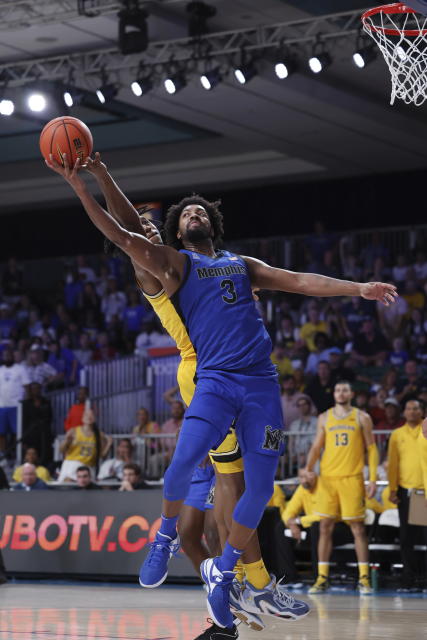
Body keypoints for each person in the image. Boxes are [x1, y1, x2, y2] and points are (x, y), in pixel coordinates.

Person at [46, 150, 396, 635]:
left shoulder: (227, 264)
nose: (151, 227)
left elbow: (292, 279)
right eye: (164, 224)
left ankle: (229, 585)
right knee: (227, 487)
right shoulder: (158, 268)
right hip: (204, 374)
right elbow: (125, 227)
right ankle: (245, 580)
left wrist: (101, 173)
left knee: (224, 504)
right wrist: (88, 180)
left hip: (242, 376)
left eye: (193, 214)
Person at [304, 380, 379, 594]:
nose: (340, 392)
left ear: (351, 393)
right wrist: (308, 468)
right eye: (337, 389)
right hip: (327, 479)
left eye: (345, 389)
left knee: (357, 528)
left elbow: (372, 449)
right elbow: (317, 446)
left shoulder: (362, 417)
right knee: (324, 527)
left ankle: (364, 578)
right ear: (334, 393)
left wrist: (372, 479)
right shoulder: (324, 417)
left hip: (352, 479)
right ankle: (322, 578)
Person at [387, 399, 427, 592]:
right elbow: (393, 464)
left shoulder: (425, 430)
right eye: (409, 408)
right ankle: (408, 579)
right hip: (407, 492)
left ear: (422, 412)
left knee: (425, 537)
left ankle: (424, 579)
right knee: (406, 538)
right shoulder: (397, 434)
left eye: (416, 408)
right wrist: (392, 489)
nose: (412, 412)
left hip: (424, 491)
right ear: (404, 412)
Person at [58, 407, 111, 482]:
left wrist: (108, 444)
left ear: (95, 418)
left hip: (88, 467)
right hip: (72, 464)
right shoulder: (74, 431)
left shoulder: (99, 434)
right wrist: (66, 441)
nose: (89, 417)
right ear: (82, 418)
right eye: (86, 415)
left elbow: (102, 455)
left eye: (91, 415)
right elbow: (61, 450)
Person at [0, 347, 29, 455]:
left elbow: (27, 387)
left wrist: (26, 404)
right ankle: (2, 456)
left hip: (16, 406)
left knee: (18, 433)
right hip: (1, 406)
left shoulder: (20, 369)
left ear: (13, 356)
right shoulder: (0, 370)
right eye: (5, 355)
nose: (7, 357)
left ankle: (19, 454)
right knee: (1, 433)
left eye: (9, 355)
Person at [21, 382, 53, 465]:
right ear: (31, 391)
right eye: (33, 389)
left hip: (44, 433)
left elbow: (50, 418)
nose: (36, 391)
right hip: (30, 433)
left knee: (44, 453)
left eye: (38, 388)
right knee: (31, 453)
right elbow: (24, 421)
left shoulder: (46, 402)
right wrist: (24, 439)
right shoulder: (26, 403)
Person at [288, 396, 317, 468]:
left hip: (314, 457)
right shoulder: (294, 424)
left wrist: (306, 455)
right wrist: (293, 455)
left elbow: (316, 442)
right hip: (297, 458)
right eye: (299, 405)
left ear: (309, 406)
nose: (302, 407)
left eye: (304, 404)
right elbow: (291, 442)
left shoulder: (317, 421)